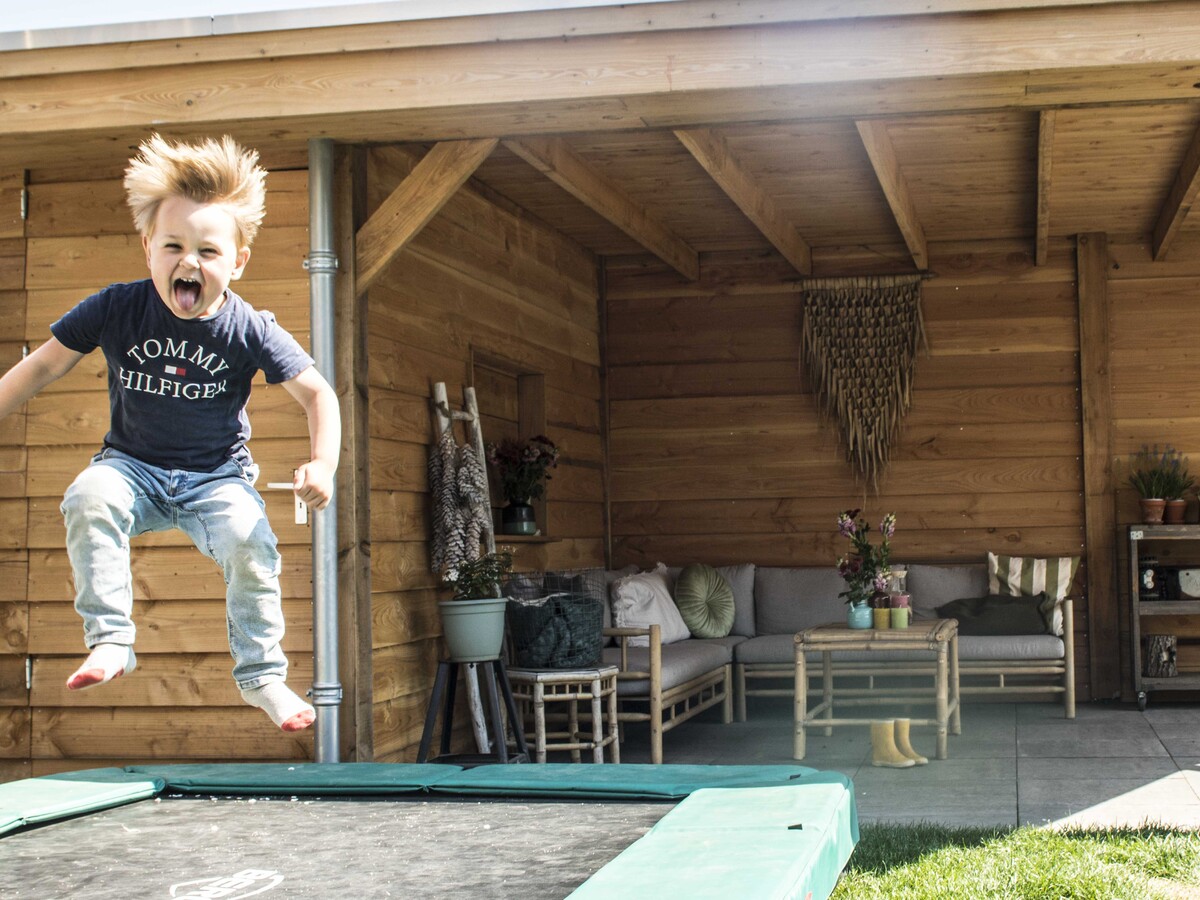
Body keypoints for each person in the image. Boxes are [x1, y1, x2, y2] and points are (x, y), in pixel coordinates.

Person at [0, 134, 340, 732]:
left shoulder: (249, 328)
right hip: (131, 466)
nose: (190, 262)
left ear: (237, 262)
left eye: (209, 251)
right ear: (148, 250)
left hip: (216, 476)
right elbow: (42, 365)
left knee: (250, 543)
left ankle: (263, 678)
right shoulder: (116, 308)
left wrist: (323, 464)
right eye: (174, 246)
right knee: (88, 496)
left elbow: (318, 394)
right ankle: (111, 641)